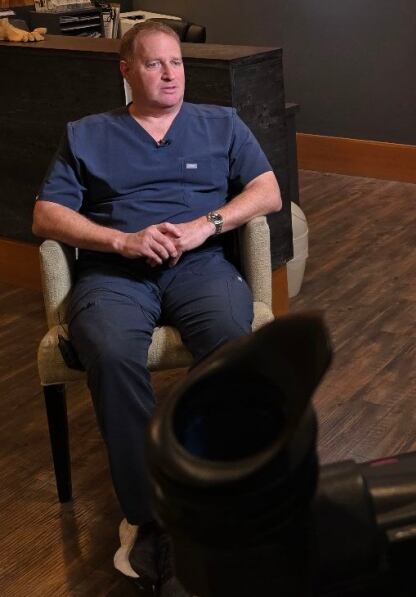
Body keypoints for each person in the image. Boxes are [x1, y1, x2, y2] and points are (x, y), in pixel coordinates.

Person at [32, 21, 282, 596]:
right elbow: (46, 215)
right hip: (116, 271)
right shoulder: (88, 134)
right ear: (126, 70)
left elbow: (267, 189)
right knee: (112, 350)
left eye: (176, 63)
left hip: (200, 265)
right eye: (153, 64)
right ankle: (148, 517)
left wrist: (205, 226)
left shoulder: (220, 123)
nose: (170, 74)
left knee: (229, 337)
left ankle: (204, 489)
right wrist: (121, 241)